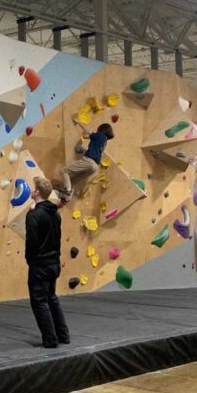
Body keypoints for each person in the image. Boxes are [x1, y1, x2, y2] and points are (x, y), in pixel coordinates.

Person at [26, 176, 70, 348]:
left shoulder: (34, 216)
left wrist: (31, 261)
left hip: (40, 264)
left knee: (40, 301)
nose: (31, 189)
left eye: (32, 187)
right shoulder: (55, 215)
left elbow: (31, 242)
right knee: (51, 297)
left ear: (36, 192)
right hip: (54, 262)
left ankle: (51, 339)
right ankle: (63, 335)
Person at [58, 121, 114, 202]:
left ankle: (68, 191)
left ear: (101, 129)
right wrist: (84, 138)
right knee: (73, 180)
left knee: (64, 171)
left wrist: (79, 123)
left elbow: (88, 131)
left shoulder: (100, 135)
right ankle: (66, 198)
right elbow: (87, 136)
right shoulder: (104, 141)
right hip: (94, 167)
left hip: (89, 161)